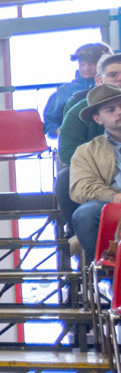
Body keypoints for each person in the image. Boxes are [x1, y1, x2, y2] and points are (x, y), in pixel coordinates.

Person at [67, 83, 121, 259]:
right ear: (98, 119)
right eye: (111, 110)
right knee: (85, 214)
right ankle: (104, 270)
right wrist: (114, 197)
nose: (119, 112)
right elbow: (81, 187)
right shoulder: (86, 151)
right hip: (109, 202)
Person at [44, 42, 110, 139]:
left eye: (91, 64)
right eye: (82, 64)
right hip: (75, 140)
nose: (86, 68)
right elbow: (50, 121)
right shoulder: (64, 90)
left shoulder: (112, 87)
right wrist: (57, 130)